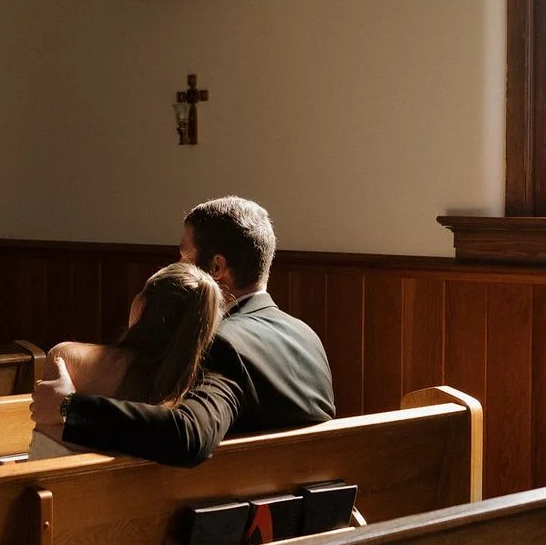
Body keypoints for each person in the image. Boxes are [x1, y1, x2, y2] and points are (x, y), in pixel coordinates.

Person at [32, 196, 336, 466]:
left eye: (184, 255)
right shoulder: (306, 335)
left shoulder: (221, 344)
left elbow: (188, 435)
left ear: (216, 268)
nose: (178, 264)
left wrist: (70, 406)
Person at [32, 261, 222, 458]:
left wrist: (69, 408)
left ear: (141, 306)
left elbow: (46, 454)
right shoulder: (200, 386)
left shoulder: (67, 358)